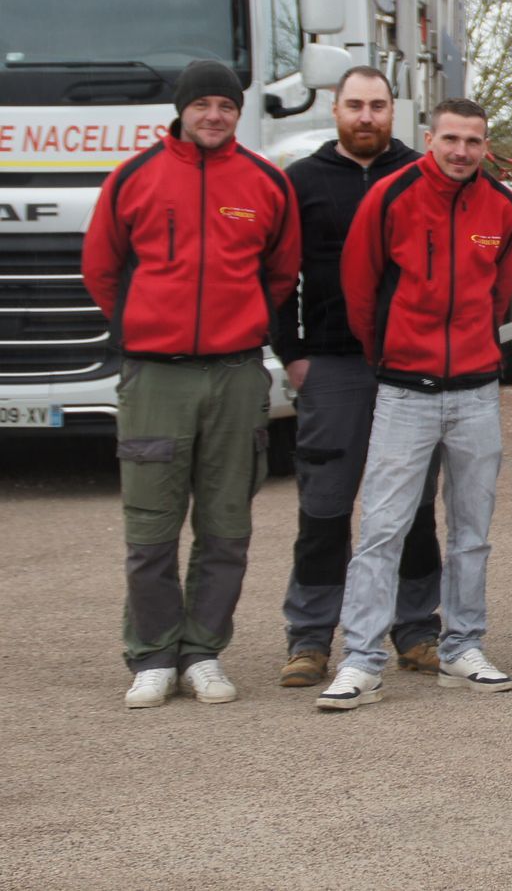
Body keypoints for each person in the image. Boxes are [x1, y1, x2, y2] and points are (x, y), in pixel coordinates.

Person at [83, 61, 300, 709]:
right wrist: (144, 327)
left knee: (226, 523)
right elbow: (101, 268)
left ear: (238, 112)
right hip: (155, 377)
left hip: (235, 375)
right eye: (202, 104)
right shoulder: (135, 177)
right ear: (181, 109)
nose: (214, 115)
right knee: (150, 523)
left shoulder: (265, 182)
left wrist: (240, 324)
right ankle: (152, 654)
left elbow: (280, 271)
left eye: (225, 106)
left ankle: (203, 650)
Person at [316, 99, 512, 711]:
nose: (462, 151)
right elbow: (360, 288)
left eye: (474, 141)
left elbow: (499, 293)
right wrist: (392, 355)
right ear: (430, 138)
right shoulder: (391, 196)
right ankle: (361, 660)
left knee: (471, 531)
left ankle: (462, 645)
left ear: (486, 146)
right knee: (382, 528)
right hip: (405, 391)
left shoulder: (503, 206)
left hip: (476, 393)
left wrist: (474, 354)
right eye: (451, 138)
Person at [271, 67, 445, 689]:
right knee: (324, 507)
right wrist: (293, 353)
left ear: (393, 111)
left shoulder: (419, 175)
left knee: (413, 506)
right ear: (336, 110)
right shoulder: (302, 181)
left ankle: (416, 629)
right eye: (355, 105)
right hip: (333, 364)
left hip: (408, 366)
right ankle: (310, 636)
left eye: (377, 105)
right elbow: (278, 273)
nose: (366, 116)